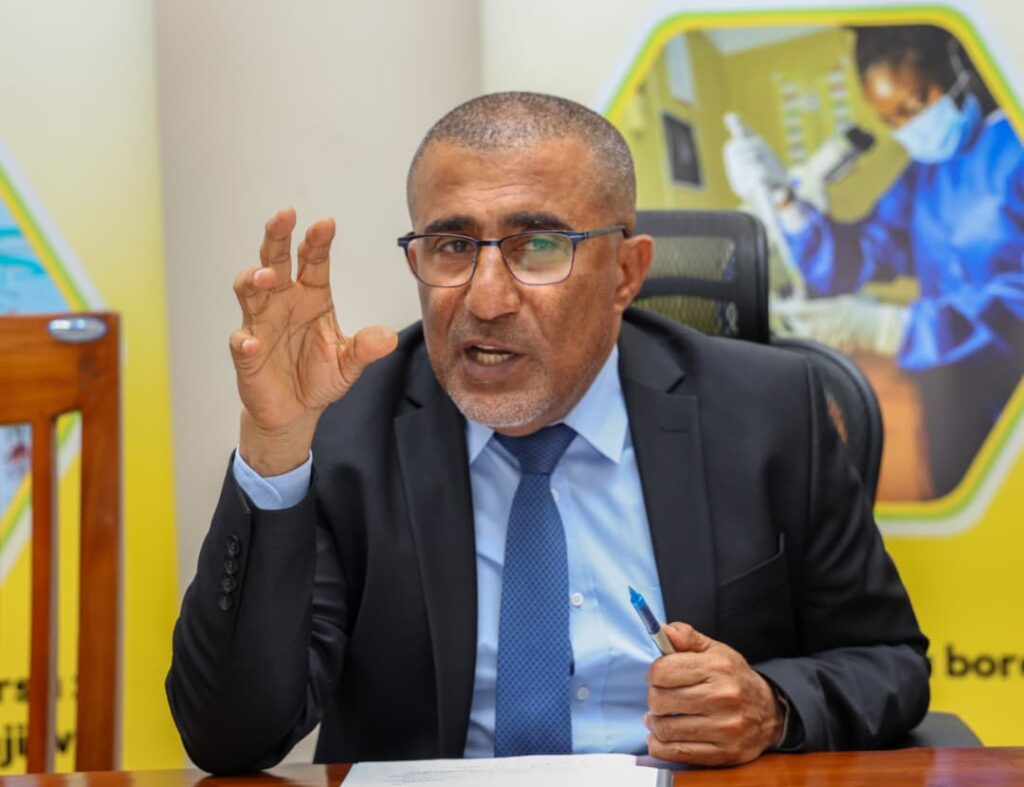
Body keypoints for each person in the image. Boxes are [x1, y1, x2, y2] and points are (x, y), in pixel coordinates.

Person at [167, 92, 929, 775]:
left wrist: (772, 703)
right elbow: (230, 737)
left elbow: (888, 660)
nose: (487, 298)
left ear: (625, 273)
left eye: (537, 246)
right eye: (453, 246)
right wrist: (273, 446)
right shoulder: (347, 426)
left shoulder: (768, 410)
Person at [725, 25, 1024, 498]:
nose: (908, 128)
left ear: (956, 66)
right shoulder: (923, 174)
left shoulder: (1014, 147)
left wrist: (889, 329)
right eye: (891, 121)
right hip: (952, 387)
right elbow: (858, 256)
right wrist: (786, 201)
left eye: (915, 104)